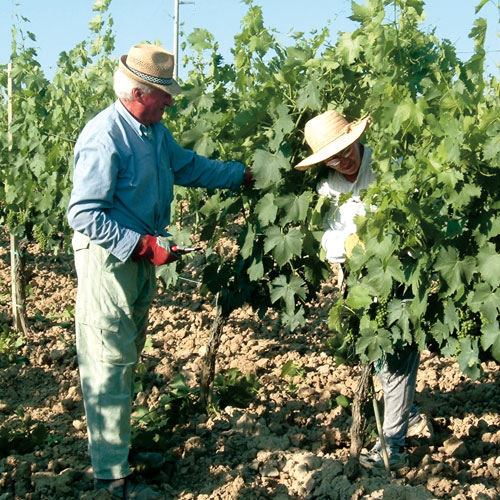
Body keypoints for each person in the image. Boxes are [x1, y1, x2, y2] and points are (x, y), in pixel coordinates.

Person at [67, 43, 252, 499]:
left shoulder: (153, 134)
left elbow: (190, 167)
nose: (170, 102)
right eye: (163, 94)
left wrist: (242, 175)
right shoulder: (104, 136)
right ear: (137, 92)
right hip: (108, 261)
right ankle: (112, 479)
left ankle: (119, 453)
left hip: (136, 259)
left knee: (126, 356)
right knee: (109, 362)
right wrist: (142, 246)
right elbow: (84, 213)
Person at [294, 109, 428, 470]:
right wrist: (350, 243)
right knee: (383, 358)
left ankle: (392, 445)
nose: (344, 159)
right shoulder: (327, 186)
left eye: (347, 149)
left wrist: (387, 244)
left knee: (397, 358)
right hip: (359, 283)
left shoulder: (388, 165)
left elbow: (413, 220)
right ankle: (409, 413)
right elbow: (326, 238)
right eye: (333, 156)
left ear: (356, 139)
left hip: (401, 274)